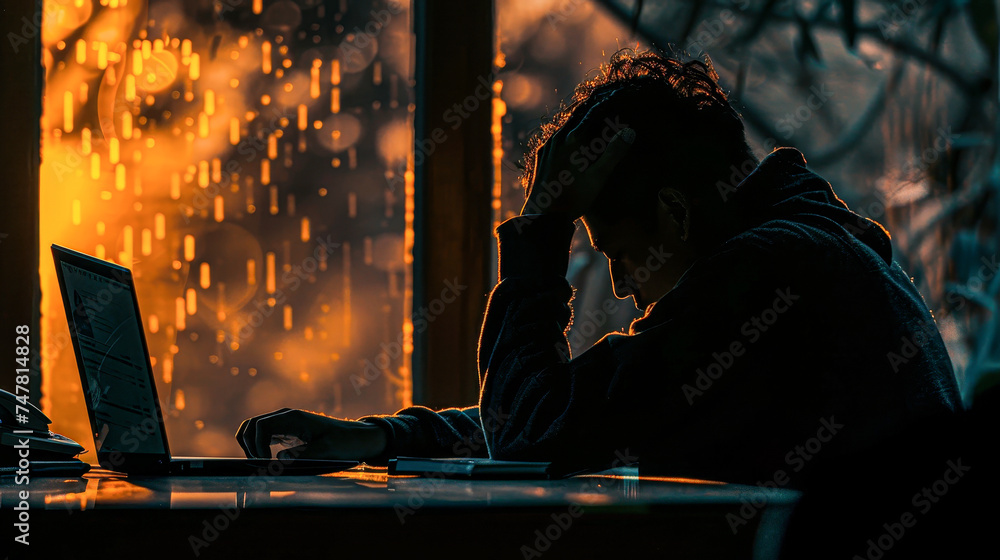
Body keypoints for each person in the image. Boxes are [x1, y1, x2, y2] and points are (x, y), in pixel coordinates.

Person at [236, 48, 962, 487]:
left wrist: (542, 230)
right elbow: (584, 415)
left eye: (615, 252)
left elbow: (539, 439)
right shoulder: (811, 255)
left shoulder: (769, 271)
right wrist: (387, 436)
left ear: (674, 214)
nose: (619, 284)